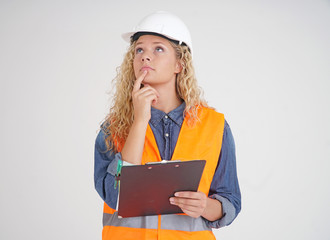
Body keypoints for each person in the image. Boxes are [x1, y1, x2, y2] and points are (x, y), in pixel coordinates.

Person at [94, 11, 241, 240]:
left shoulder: (214, 126)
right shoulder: (113, 128)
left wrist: (204, 207)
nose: (145, 56)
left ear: (179, 64)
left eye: (158, 49)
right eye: (139, 50)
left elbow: (230, 202)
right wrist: (140, 120)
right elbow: (116, 197)